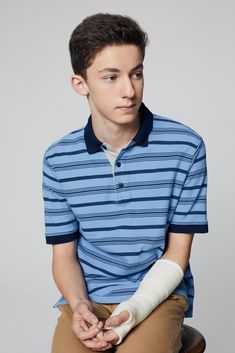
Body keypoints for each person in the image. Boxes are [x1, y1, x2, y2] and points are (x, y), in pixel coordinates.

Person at [42, 13, 208, 353]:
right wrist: (78, 305)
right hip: (90, 297)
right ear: (80, 84)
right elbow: (64, 257)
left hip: (158, 296)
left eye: (136, 73)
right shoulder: (57, 160)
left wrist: (132, 312)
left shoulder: (186, 147)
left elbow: (177, 254)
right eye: (110, 77)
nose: (129, 90)